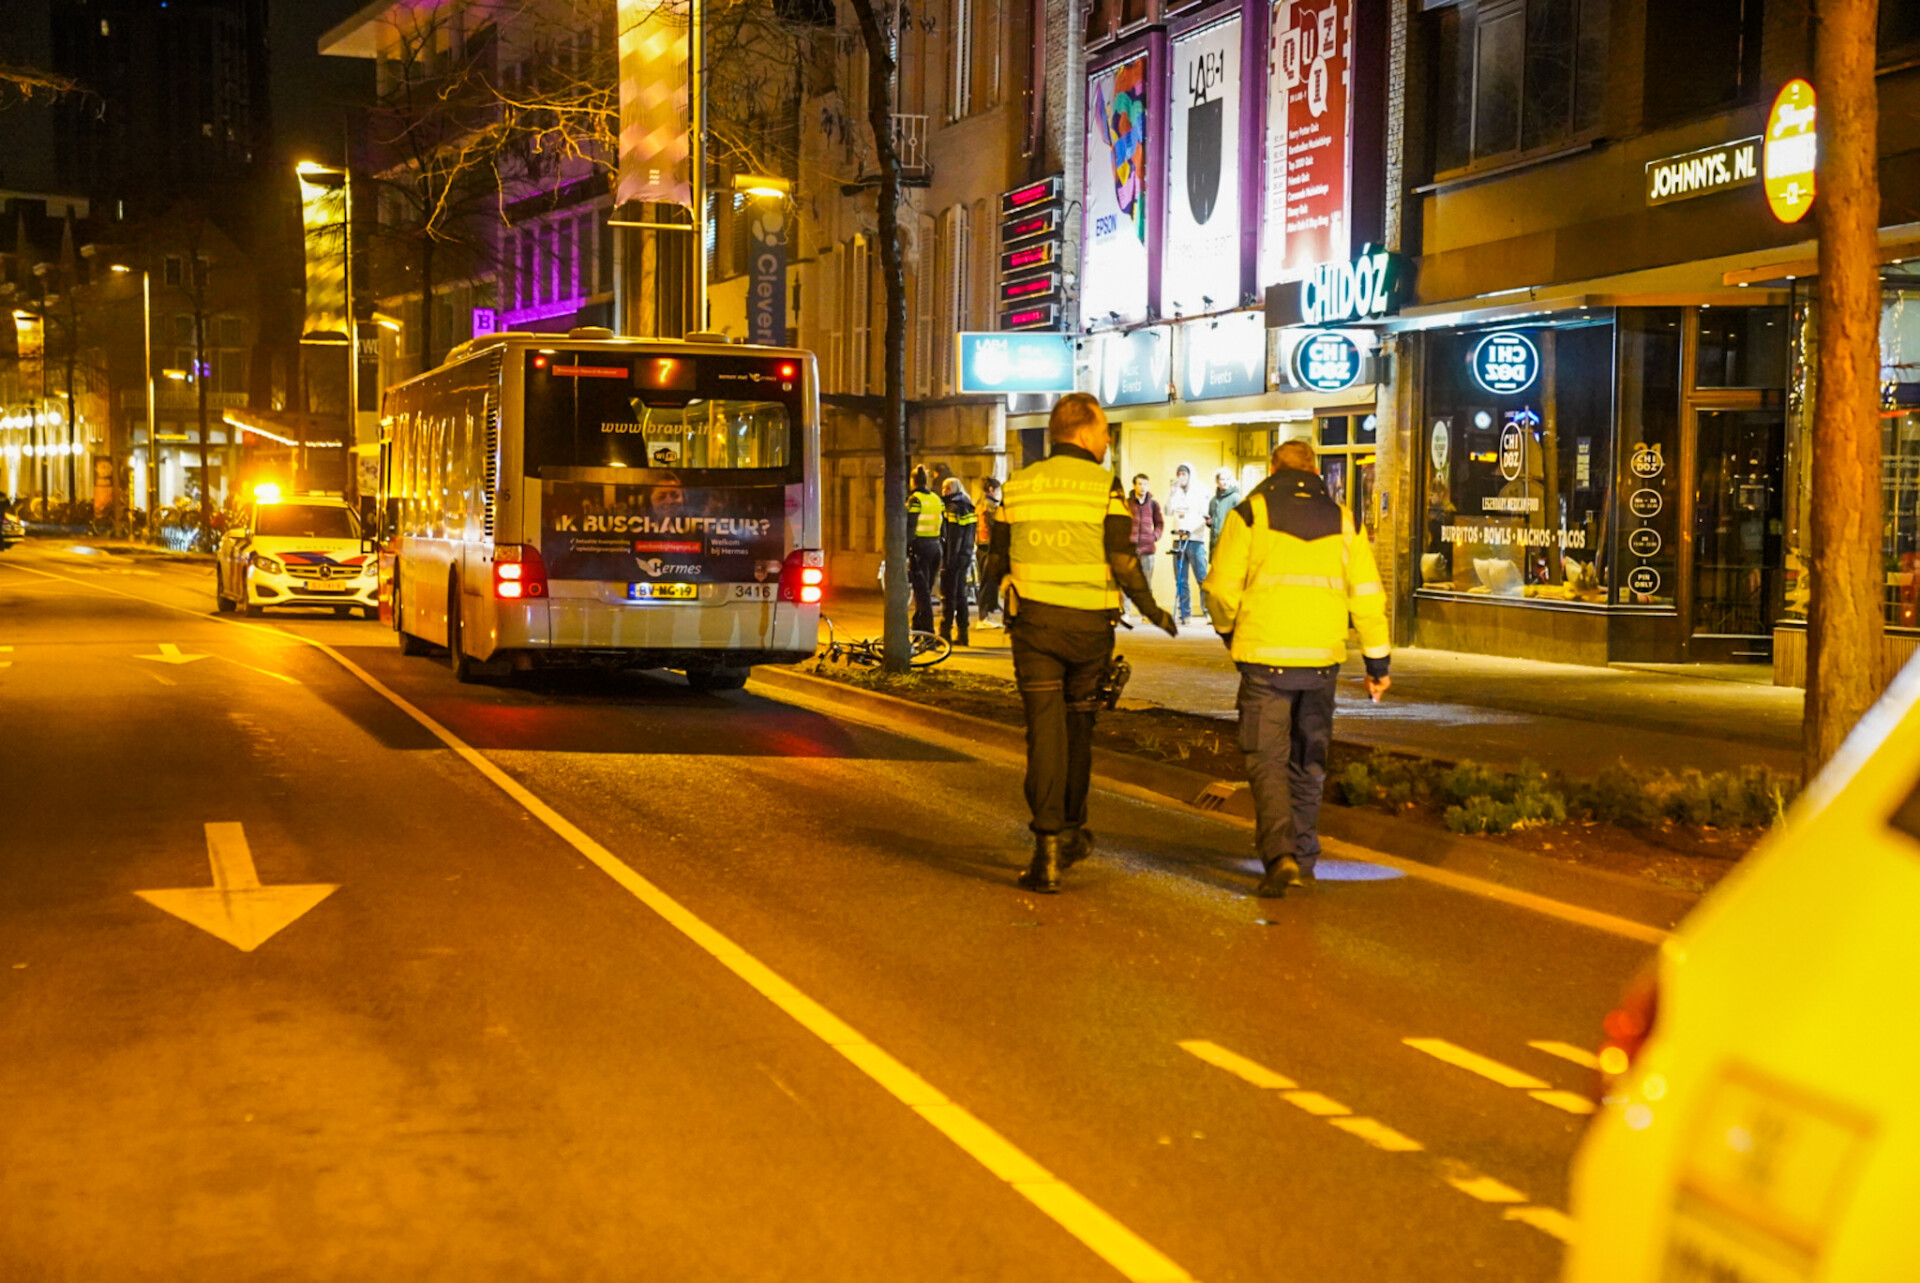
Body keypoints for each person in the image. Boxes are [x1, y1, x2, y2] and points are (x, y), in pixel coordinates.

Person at [987, 393, 1177, 893]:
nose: (1108, 440)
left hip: (1035, 628)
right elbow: (1122, 558)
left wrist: (986, 599)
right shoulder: (1103, 485)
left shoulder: (1019, 484)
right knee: (1078, 728)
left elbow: (996, 555)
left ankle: (1046, 852)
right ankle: (1071, 829)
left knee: (1043, 733)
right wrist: (1152, 609)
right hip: (1090, 630)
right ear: (1085, 433)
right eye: (1105, 431)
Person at [1204, 439, 1391, 898]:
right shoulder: (1345, 521)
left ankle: (1280, 854)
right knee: (1308, 762)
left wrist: (1229, 632)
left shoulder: (1249, 514)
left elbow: (1221, 590)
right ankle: (1304, 857)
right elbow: (1368, 596)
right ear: (1315, 471)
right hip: (1322, 663)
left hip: (1265, 662)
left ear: (1273, 470)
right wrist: (1377, 662)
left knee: (1267, 761)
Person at [1165, 462, 1207, 624]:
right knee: (1181, 580)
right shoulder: (1175, 492)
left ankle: (1208, 611)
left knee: (1202, 577)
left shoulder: (1200, 490)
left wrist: (1189, 529)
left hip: (1195, 539)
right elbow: (1168, 511)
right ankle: (1185, 613)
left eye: (1184, 474)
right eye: (1179, 474)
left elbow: (1204, 515)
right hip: (1178, 539)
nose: (1181, 477)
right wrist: (1171, 492)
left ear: (1190, 475)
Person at [938, 476, 977, 646]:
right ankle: (963, 634)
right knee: (961, 595)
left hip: (954, 558)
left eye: (948, 488)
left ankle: (944, 633)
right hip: (965, 555)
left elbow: (954, 538)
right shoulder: (968, 505)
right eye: (943, 488)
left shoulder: (953, 508)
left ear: (955, 489)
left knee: (949, 596)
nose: (944, 491)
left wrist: (948, 562)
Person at [906, 465, 944, 634]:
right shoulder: (936, 499)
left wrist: (906, 549)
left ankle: (928, 634)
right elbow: (943, 526)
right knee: (925, 591)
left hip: (920, 549)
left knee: (922, 594)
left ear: (913, 481)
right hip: (935, 547)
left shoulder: (914, 500)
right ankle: (918, 626)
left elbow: (910, 526)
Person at [1126, 473, 1163, 621]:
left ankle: (1146, 614)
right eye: (1140, 484)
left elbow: (1159, 523)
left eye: (1145, 484)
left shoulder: (1153, 504)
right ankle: (1125, 612)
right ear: (1134, 486)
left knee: (1146, 584)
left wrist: (1154, 536)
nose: (1143, 487)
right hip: (1130, 549)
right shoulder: (1127, 503)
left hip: (1148, 550)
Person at [975, 477, 1004, 629]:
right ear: (991, 490)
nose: (998, 493)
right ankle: (983, 616)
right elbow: (996, 527)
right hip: (989, 547)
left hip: (981, 545)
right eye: (997, 490)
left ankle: (986, 612)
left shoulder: (979, 503)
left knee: (986, 580)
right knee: (987, 582)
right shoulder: (990, 506)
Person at [1207, 466, 1241, 558]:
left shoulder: (1236, 498)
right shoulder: (1213, 501)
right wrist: (1209, 522)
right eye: (1222, 479)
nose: (1225, 482)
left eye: (1228, 479)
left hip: (1230, 544)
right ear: (1217, 481)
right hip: (1215, 544)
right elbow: (1212, 521)